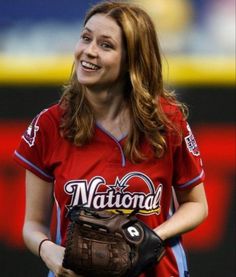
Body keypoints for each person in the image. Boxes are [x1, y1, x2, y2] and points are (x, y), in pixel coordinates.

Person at [13, 1, 208, 276]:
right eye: (86, 38)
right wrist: (48, 250)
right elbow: (32, 225)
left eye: (106, 45)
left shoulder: (167, 122)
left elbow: (196, 205)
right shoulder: (49, 125)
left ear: (132, 59)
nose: (89, 51)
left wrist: (153, 237)